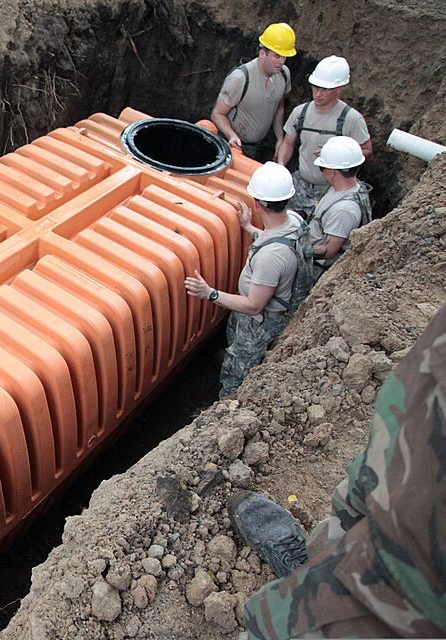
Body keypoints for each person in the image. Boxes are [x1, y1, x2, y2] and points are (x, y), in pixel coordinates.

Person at [231, 302, 446, 638]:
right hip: (404, 453)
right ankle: (314, 560)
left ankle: (324, 591)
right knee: (352, 509)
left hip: (418, 591)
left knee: (291, 623)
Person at [185, 162, 306, 398]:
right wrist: (249, 228)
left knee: (238, 372)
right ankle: (232, 353)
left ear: (257, 203)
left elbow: (253, 305)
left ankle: (226, 407)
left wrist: (209, 293)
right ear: (288, 200)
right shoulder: (294, 221)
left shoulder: (271, 258)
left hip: (260, 322)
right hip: (253, 313)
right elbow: (276, 239)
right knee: (234, 339)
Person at [276, 55, 373, 219]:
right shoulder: (301, 113)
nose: (318, 94)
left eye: (325, 89)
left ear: (340, 88)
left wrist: (335, 154)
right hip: (300, 184)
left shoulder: (351, 119)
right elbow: (288, 143)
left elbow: (367, 151)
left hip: (330, 189)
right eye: (315, 87)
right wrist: (281, 165)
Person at [211, 23, 295, 160]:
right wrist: (231, 135)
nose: (281, 62)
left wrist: (280, 138)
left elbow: (279, 105)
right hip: (234, 144)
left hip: (257, 145)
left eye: (284, 57)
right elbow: (217, 114)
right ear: (262, 53)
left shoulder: (284, 75)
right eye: (277, 56)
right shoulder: (241, 78)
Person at [308, 135, 373, 279]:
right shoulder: (351, 186)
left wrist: (297, 248)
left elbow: (328, 251)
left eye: (322, 167)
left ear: (332, 172)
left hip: (319, 270)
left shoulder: (343, 210)